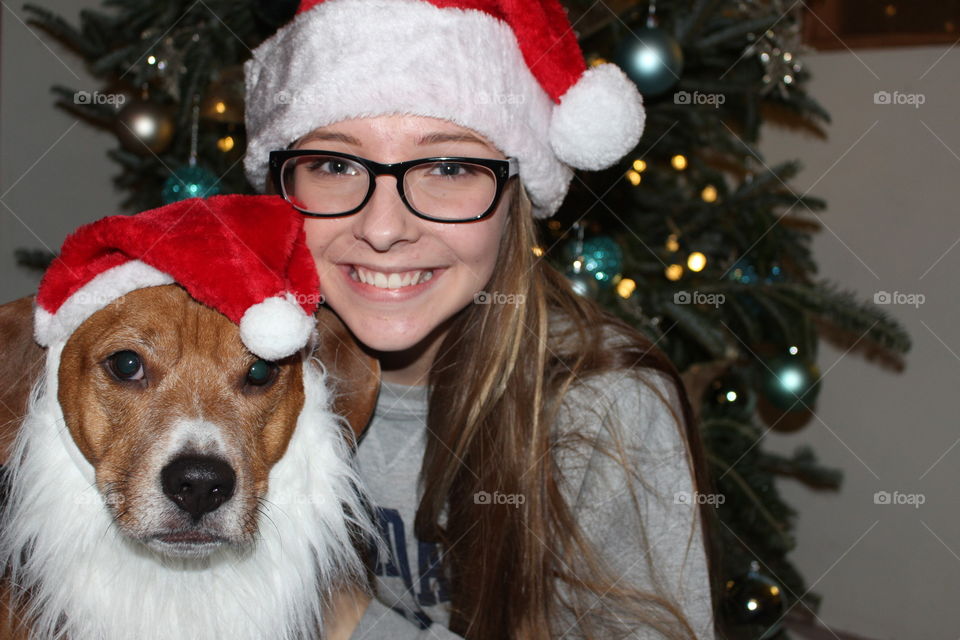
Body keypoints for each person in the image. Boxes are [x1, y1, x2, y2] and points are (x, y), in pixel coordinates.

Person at [243, 1, 719, 638]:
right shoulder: (238, 365)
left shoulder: (603, 405)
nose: (383, 229)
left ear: (515, 200)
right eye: (335, 165)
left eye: (448, 168)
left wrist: (343, 617)